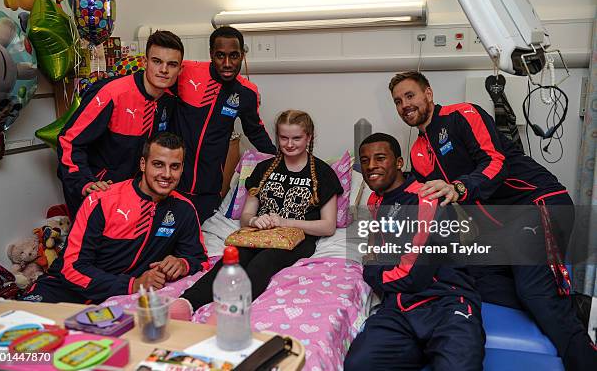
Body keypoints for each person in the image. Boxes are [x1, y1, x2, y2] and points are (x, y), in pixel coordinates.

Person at [388, 71, 596, 370]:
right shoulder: (418, 152)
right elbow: (433, 205)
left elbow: (494, 162)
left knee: (534, 290)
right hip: (503, 228)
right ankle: (576, 305)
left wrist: (459, 188)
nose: (405, 104)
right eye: (397, 101)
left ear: (428, 94)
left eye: (410, 96)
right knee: (466, 273)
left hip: (539, 204)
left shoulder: (462, 115)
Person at [344, 133, 485, 371]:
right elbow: (376, 249)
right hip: (399, 309)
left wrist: (371, 271)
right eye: (365, 160)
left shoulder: (427, 200)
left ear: (399, 163)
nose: (371, 166)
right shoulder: (376, 200)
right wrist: (375, 261)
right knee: (359, 365)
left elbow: (411, 275)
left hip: (446, 303)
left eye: (380, 158)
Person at [181, 110, 341, 310]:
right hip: (260, 234)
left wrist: (284, 222)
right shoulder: (263, 169)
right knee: (232, 259)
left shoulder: (323, 174)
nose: (289, 144)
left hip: (298, 239)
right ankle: (187, 302)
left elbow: (328, 226)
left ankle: (231, 309)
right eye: (284, 138)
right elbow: (246, 215)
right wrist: (255, 221)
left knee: (263, 262)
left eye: (297, 138)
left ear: (309, 137)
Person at [23, 132, 208, 304]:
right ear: (143, 164)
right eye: (158, 164)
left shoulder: (184, 209)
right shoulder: (102, 200)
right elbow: (72, 268)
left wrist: (182, 264)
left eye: (174, 166)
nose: (167, 174)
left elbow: (199, 258)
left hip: (117, 302)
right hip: (65, 291)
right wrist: (132, 285)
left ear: (182, 168)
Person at [57, 30, 184, 218]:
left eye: (171, 64)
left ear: (180, 70)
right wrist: (84, 182)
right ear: (145, 62)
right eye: (157, 61)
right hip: (98, 192)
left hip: (134, 198)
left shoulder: (169, 101)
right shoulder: (111, 93)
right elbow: (68, 141)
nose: (164, 70)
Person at [171, 26, 276, 223]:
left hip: (208, 187)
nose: (227, 63)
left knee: (202, 238)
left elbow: (255, 131)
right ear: (211, 54)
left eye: (234, 56)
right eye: (220, 56)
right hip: (171, 180)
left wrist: (280, 160)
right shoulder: (186, 71)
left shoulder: (247, 92)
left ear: (242, 55)